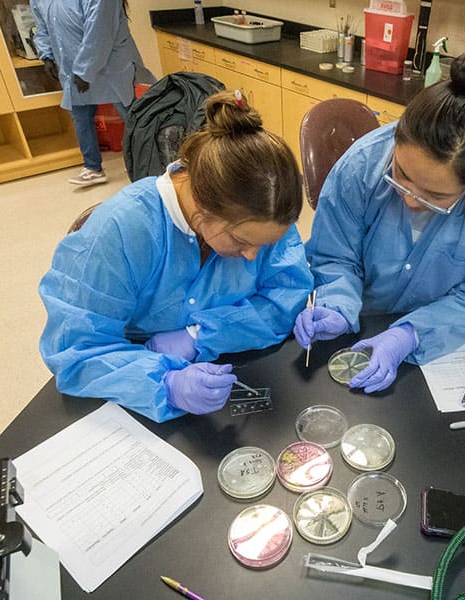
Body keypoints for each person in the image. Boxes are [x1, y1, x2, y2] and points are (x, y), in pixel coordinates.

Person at [39, 91, 313, 422]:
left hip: (233, 378)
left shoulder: (263, 213)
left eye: (265, 244)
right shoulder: (118, 232)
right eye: (241, 242)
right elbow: (77, 353)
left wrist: (202, 335)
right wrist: (163, 383)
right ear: (203, 205)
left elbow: (286, 297)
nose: (253, 256)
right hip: (133, 395)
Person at [294, 47, 465, 393]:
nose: (409, 199)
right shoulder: (360, 166)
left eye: (435, 197)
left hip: (442, 340)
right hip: (358, 327)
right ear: (396, 140)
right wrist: (336, 303)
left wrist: (410, 335)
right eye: (401, 175)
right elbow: (335, 256)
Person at [30, 0, 155, 186]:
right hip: (71, 65)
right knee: (80, 115)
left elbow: (100, 31)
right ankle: (92, 167)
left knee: (132, 115)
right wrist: (46, 55)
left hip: (112, 63)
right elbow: (42, 27)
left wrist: (84, 69)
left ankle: (148, 164)